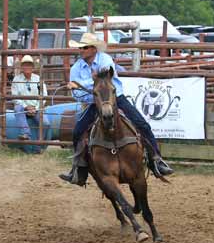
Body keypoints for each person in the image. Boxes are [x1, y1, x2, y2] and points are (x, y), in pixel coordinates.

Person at [59, 33, 174, 185]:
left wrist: (81, 84)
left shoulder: (105, 60)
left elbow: (104, 79)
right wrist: (86, 92)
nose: (81, 50)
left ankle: (156, 160)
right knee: (77, 132)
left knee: (142, 124)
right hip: (93, 103)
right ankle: (79, 169)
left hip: (115, 99)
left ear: (94, 49)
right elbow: (76, 94)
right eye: (80, 47)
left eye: (84, 47)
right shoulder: (76, 67)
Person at [11, 54, 48, 140]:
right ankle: (26, 133)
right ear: (22, 67)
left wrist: (36, 108)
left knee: (46, 124)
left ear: (32, 67)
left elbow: (44, 94)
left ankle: (39, 144)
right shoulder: (16, 79)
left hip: (36, 108)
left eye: (29, 65)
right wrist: (26, 107)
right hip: (23, 108)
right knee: (18, 108)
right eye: (25, 65)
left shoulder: (38, 79)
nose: (27, 67)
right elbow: (15, 97)